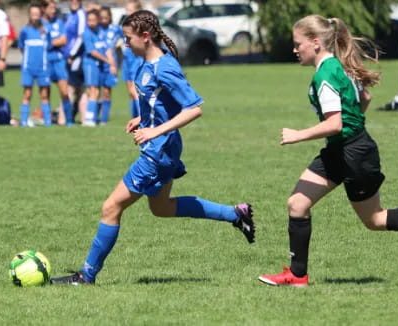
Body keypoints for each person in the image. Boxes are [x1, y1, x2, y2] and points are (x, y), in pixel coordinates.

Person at [50, 10, 255, 286]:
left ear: (145, 37)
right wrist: (143, 119)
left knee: (110, 207)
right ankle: (235, 213)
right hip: (163, 148)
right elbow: (161, 104)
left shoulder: (164, 67)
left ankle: (86, 276)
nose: (125, 44)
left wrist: (154, 130)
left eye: (128, 38)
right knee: (162, 208)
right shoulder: (146, 64)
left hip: (158, 152)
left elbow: (194, 109)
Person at [258, 15, 398, 287]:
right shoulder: (336, 65)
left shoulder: (325, 74)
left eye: (298, 44)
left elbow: (335, 123)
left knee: (375, 220)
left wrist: (299, 135)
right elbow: (364, 98)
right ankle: (297, 277)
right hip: (342, 149)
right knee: (297, 203)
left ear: (316, 43)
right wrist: (352, 126)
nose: (295, 50)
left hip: (355, 154)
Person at [18, 3, 52, 127]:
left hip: (43, 67)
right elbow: (21, 47)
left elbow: (50, 45)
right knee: (27, 93)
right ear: (29, 15)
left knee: (44, 94)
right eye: (33, 14)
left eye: (37, 14)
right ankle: (23, 121)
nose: (35, 17)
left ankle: (48, 122)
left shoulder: (46, 29)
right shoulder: (24, 31)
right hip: (28, 68)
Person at [82, 9, 117, 127]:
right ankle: (89, 119)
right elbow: (92, 52)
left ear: (98, 21)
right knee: (93, 90)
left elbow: (106, 48)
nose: (91, 23)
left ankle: (94, 119)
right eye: (89, 20)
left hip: (99, 65)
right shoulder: (87, 33)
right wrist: (107, 60)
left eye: (93, 20)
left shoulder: (100, 32)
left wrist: (112, 63)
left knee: (96, 91)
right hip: (90, 65)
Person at [42, 0, 73, 126]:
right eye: (51, 8)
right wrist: (55, 41)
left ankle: (69, 121)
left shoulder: (59, 22)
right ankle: (47, 122)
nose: (53, 11)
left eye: (54, 8)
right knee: (45, 93)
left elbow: (64, 40)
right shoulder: (40, 23)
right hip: (45, 62)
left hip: (59, 61)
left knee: (65, 92)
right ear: (43, 8)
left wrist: (48, 43)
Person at [98, 6, 124, 125]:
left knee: (107, 91)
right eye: (101, 18)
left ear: (110, 17)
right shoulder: (96, 29)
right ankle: (93, 117)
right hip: (97, 63)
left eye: (106, 18)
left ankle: (104, 119)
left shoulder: (115, 28)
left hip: (111, 63)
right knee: (95, 91)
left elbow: (125, 38)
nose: (103, 20)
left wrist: (119, 44)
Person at [63, 0, 87, 123]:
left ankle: (79, 119)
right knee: (71, 87)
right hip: (68, 56)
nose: (73, 2)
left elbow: (81, 36)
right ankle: (69, 117)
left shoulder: (81, 14)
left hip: (77, 56)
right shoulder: (69, 15)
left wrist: (72, 53)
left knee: (76, 88)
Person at [121, 0, 143, 118]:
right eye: (127, 10)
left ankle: (143, 117)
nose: (127, 12)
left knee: (136, 91)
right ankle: (134, 117)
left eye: (130, 10)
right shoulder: (126, 25)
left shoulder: (140, 26)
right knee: (130, 91)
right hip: (127, 60)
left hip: (136, 59)